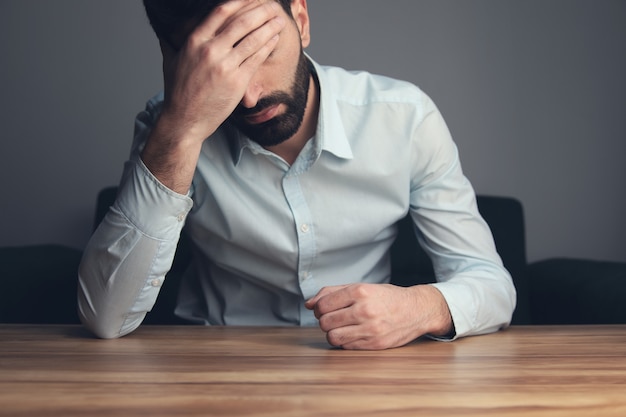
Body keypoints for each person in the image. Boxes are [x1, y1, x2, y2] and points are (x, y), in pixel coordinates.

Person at [78, 0, 516, 349]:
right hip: (214, 368)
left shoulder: (405, 119)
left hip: (363, 370)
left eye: (261, 50)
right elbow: (106, 318)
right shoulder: (168, 128)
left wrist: (420, 307)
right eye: (221, 70)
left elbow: (492, 286)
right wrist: (180, 130)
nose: (249, 97)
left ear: (301, 19)